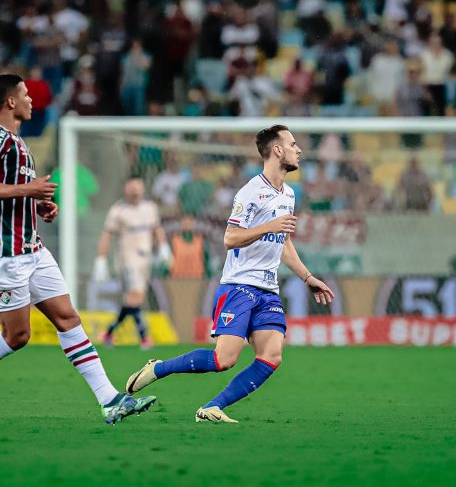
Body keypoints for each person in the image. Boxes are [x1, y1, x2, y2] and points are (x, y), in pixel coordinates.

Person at [125, 124, 334, 423]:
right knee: (223, 360)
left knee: (272, 356)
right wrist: (267, 227)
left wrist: (308, 277)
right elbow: (229, 238)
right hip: (239, 286)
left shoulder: (288, 194)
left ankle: (212, 407)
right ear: (277, 150)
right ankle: (159, 368)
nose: (298, 149)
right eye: (292, 143)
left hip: (268, 290)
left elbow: (283, 243)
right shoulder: (250, 192)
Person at [0, 74, 156, 424]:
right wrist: (28, 192)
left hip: (33, 249)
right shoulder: (1, 142)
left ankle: (110, 400)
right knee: (17, 335)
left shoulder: (18, 143)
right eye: (24, 95)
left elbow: (13, 195)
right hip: (7, 255)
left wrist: (39, 205)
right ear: (10, 102)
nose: (30, 101)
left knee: (69, 319)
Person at [93, 177, 172, 349]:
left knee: (134, 298)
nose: (135, 192)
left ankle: (109, 333)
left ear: (142, 189)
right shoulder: (118, 210)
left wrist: (164, 248)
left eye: (138, 188)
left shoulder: (150, 208)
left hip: (145, 259)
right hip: (127, 260)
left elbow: (156, 229)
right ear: (126, 189)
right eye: (131, 188)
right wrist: (101, 259)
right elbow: (107, 235)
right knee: (135, 295)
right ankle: (144, 337)